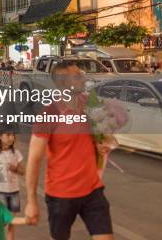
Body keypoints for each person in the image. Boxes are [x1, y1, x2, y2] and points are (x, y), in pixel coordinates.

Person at [25, 62, 114, 240]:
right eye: (77, 75)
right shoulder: (49, 114)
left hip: (92, 190)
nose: (83, 77)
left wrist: (103, 143)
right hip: (61, 195)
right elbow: (34, 160)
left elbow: (102, 133)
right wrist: (31, 201)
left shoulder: (90, 105)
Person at [0, 132, 25, 240]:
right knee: (1, 221)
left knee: (12, 222)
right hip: (0, 192)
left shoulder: (16, 153)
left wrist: (15, 169)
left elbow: (23, 171)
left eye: (13, 135)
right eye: (8, 135)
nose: (11, 138)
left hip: (14, 192)